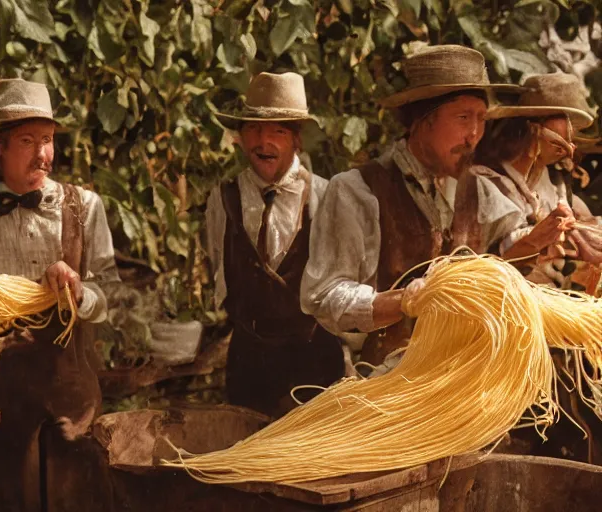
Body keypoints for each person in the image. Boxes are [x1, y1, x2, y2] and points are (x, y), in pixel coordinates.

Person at [300, 45, 571, 366]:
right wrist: (404, 301)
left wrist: (535, 240)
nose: (474, 135)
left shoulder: (480, 191)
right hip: (390, 381)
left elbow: (500, 250)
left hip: (467, 373)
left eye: (481, 119)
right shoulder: (357, 191)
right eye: (462, 118)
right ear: (421, 120)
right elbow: (324, 296)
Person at [0, 78, 120, 511]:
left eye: (47, 140)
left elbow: (111, 297)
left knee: (73, 497)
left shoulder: (84, 208)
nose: (43, 154)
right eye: (28, 141)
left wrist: (80, 293)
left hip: (69, 397)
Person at [206, 72, 345, 418]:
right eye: (253, 130)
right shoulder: (223, 199)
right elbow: (221, 272)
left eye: (277, 132)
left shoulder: (325, 196)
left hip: (314, 362)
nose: (262, 142)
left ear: (297, 140)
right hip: (249, 365)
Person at [473, 72, 602, 289]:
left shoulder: (553, 182)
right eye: (564, 123)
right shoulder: (485, 184)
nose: (571, 140)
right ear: (533, 128)